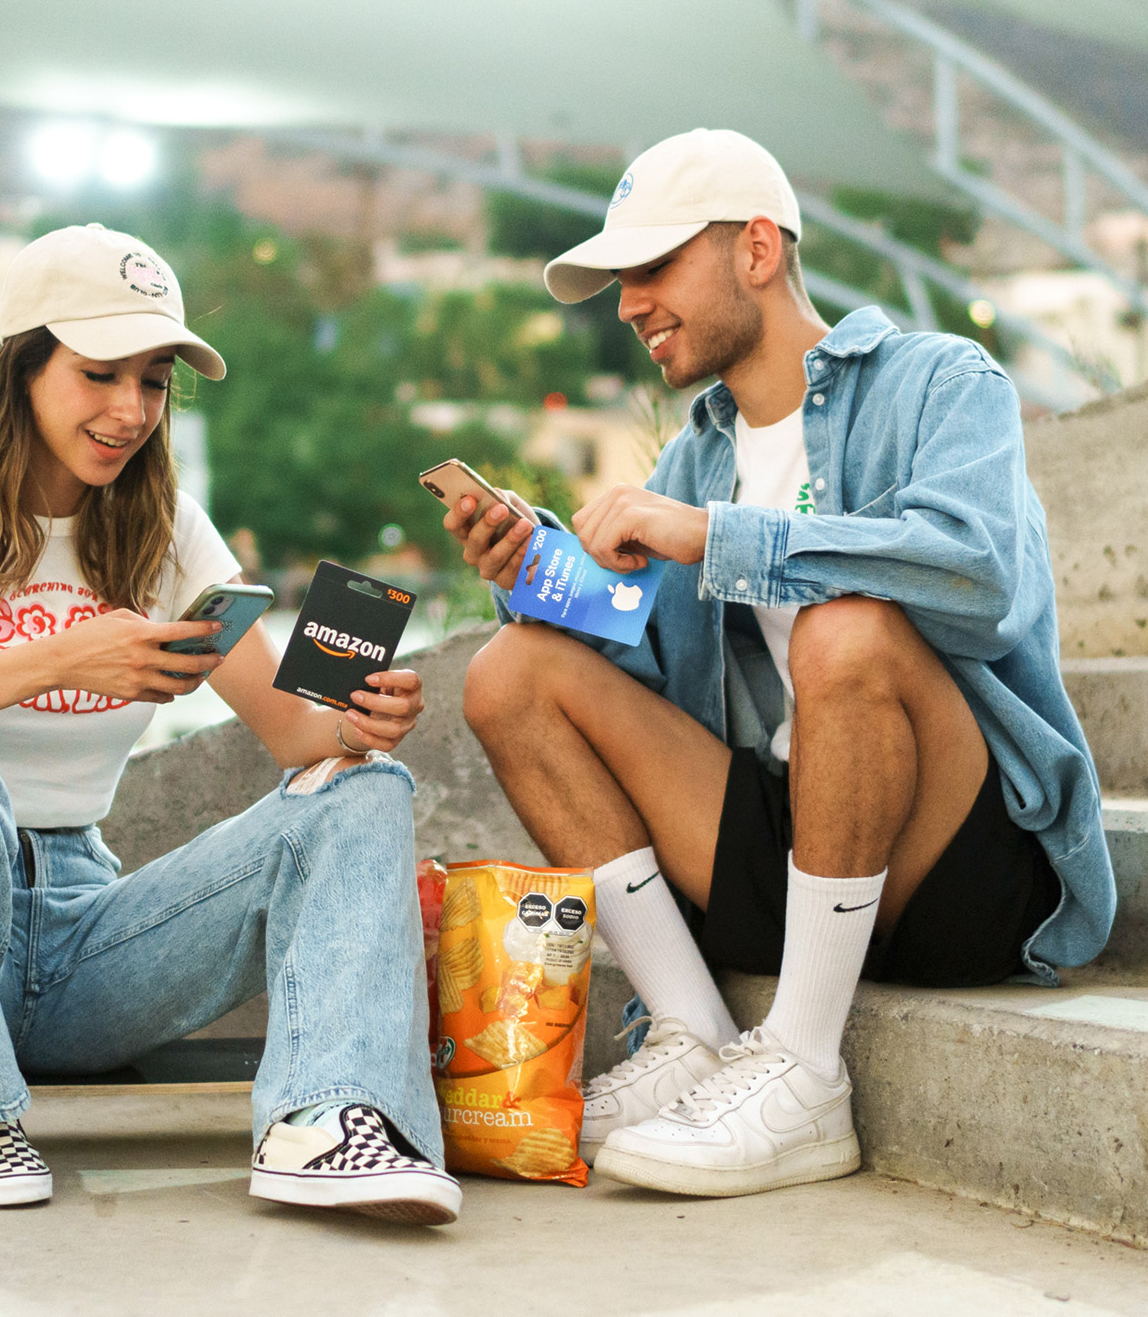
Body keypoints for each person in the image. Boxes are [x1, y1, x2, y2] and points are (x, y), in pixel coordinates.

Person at [444, 129, 1111, 1198]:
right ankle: (695, 1033)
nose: (627, 303)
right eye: (620, 280)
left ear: (757, 248)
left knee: (847, 630)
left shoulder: (939, 381)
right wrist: (536, 575)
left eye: (653, 268)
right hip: (793, 828)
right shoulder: (695, 456)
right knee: (508, 674)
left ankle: (802, 1067)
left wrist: (717, 536)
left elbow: (980, 580)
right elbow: (654, 677)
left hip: (957, 858)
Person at [0, 226, 457, 1222]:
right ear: (22, 369)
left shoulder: (169, 529)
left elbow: (297, 742)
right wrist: (59, 657)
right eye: (99, 373)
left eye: (153, 381)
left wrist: (361, 721)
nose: (130, 410)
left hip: (78, 947)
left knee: (363, 791)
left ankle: (330, 1120)